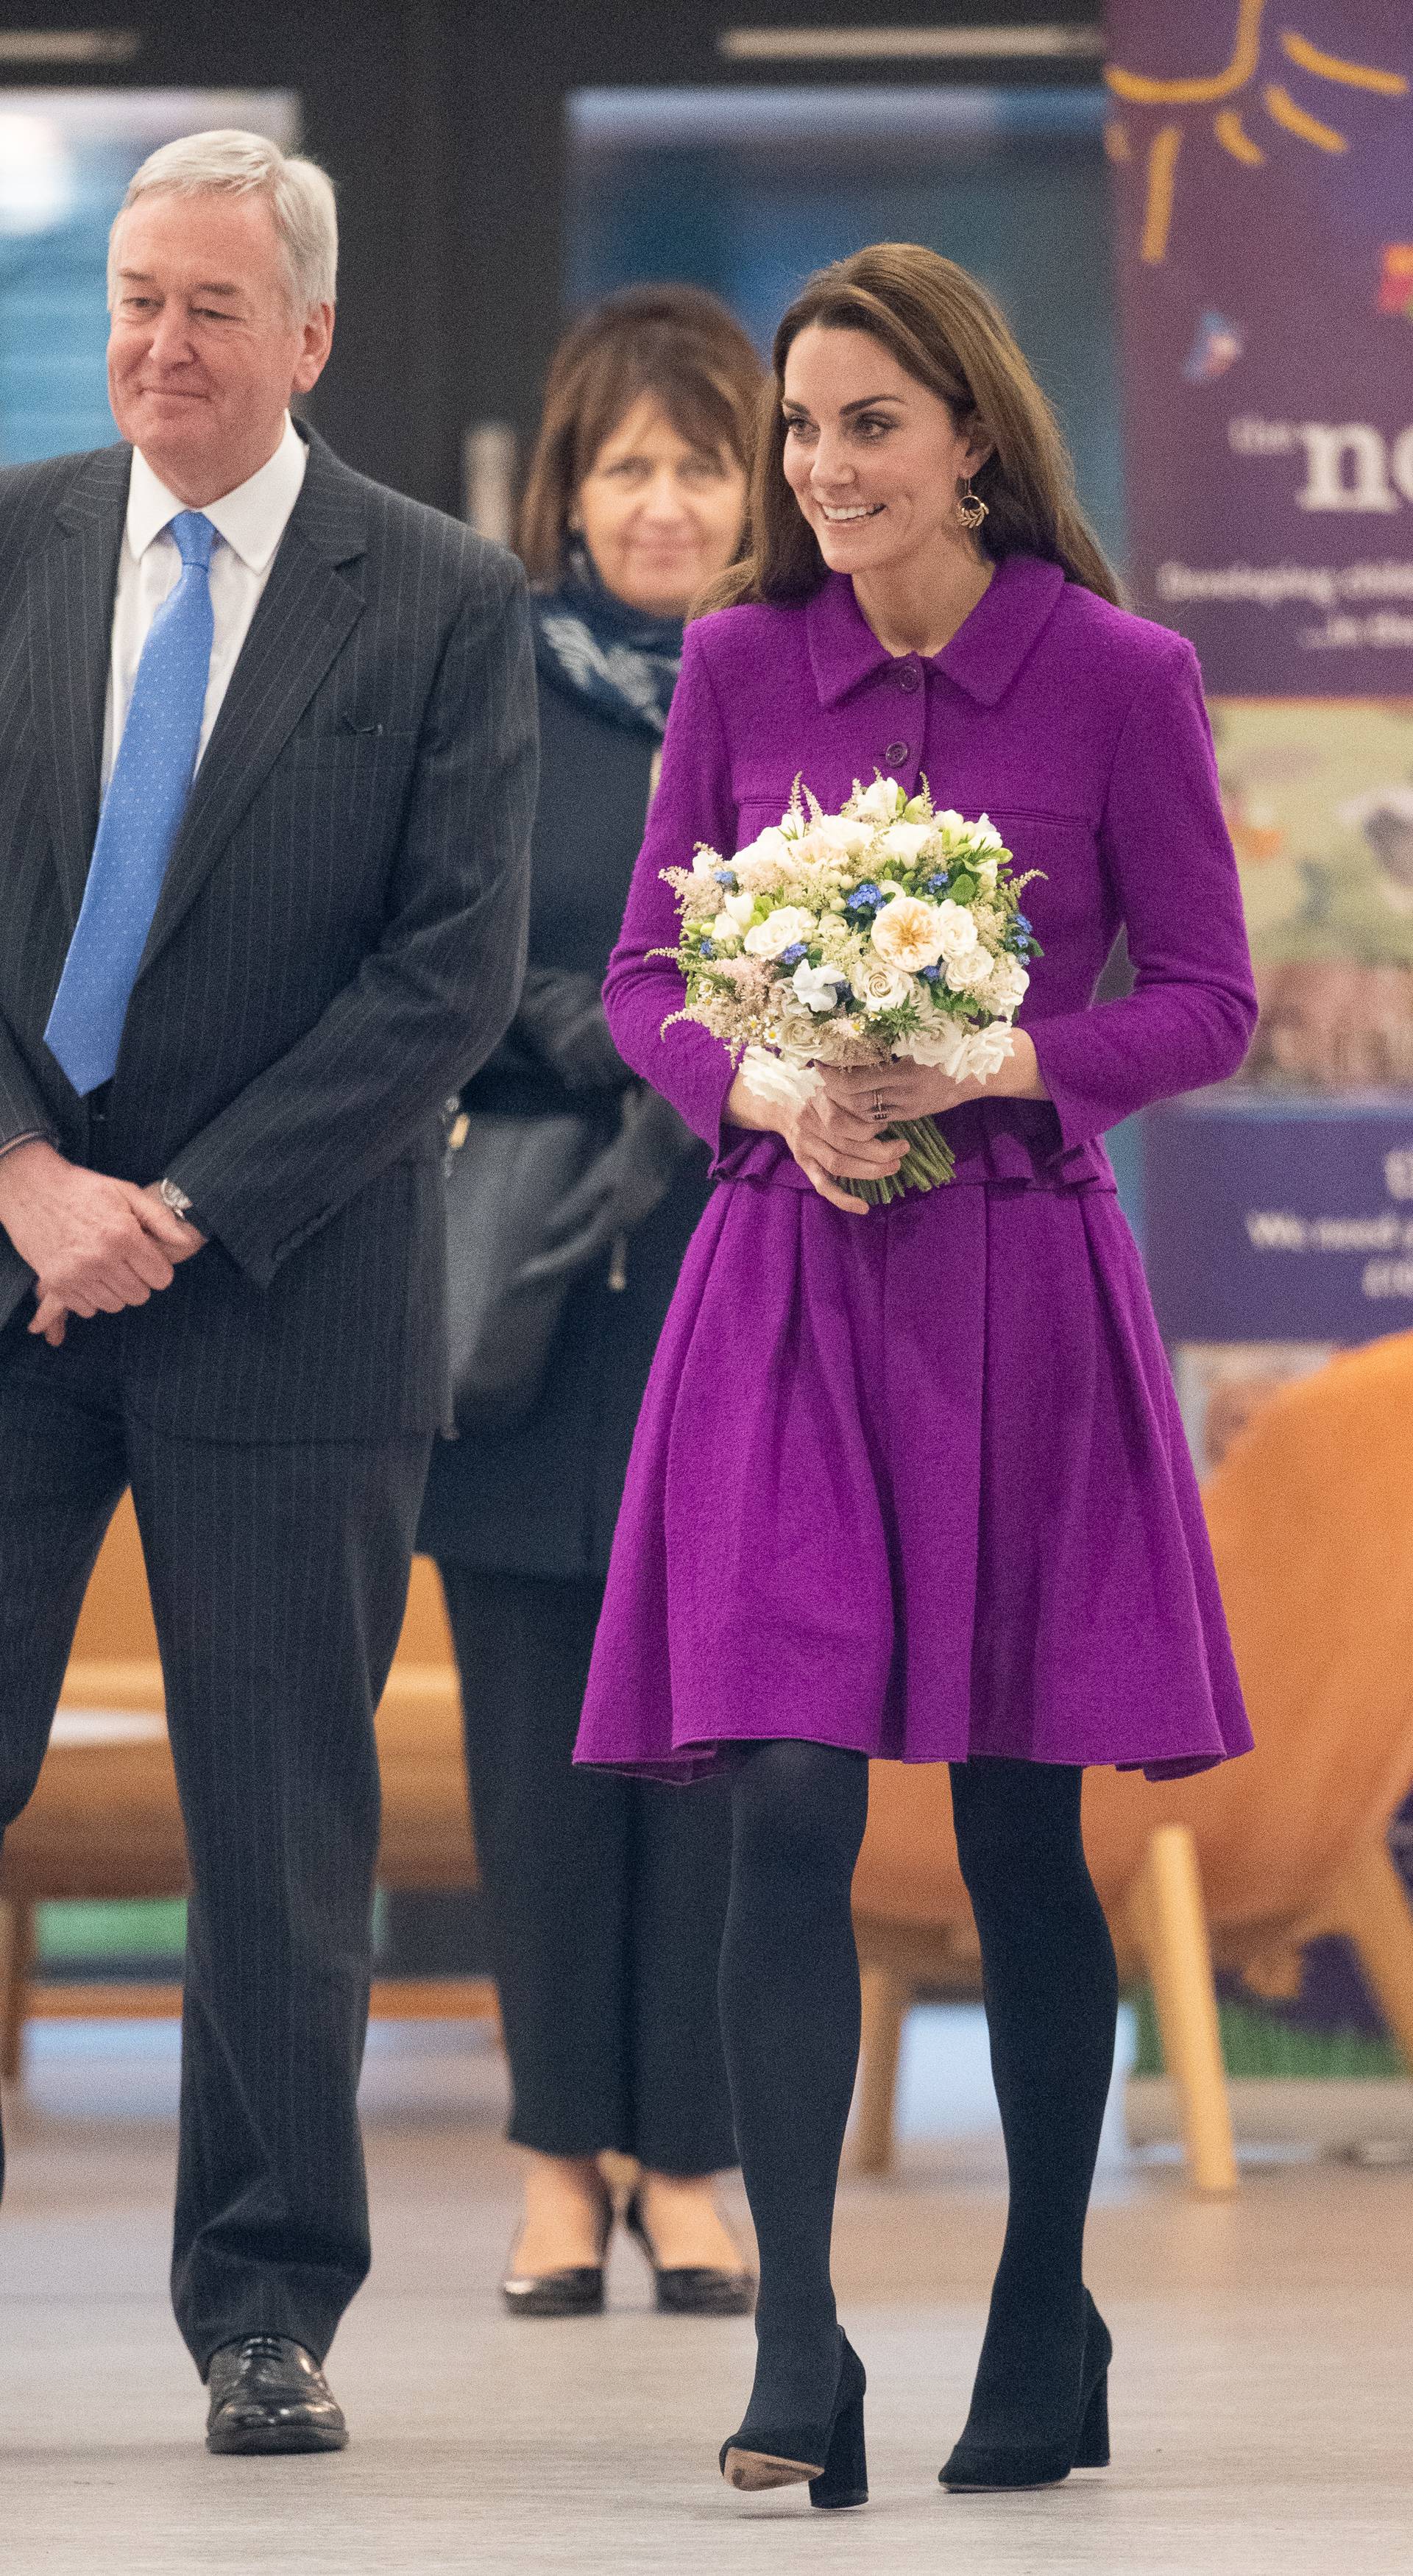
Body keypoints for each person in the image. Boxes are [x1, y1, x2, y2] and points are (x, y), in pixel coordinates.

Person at [575, 244, 1258, 2504]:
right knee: (777, 1787)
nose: (821, 467)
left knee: (1013, 1825)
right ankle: (796, 2346)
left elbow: (1212, 1000)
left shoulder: (1123, 674)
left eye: (866, 422)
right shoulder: (742, 661)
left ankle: (1042, 2305)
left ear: (973, 431)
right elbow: (644, 967)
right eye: (803, 426)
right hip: (789, 1282)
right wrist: (762, 1094)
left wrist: (992, 1054)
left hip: (1021, 1303)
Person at [0, 132, 534, 2452]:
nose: (160, 345)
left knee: (282, 1830)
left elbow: (449, 979)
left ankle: (265, 2308)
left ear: (309, 334)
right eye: (135, 296)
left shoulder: (434, 597)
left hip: (288, 1296)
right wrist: (24, 1175)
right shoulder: (6, 544)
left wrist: (184, 1203)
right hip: (12, 1267)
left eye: (212, 307)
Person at [418, 286, 763, 2315]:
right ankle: (561, 2158)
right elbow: (423, 956)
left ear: (756, 487)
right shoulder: (487, 684)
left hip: (740, 1278)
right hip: (522, 1286)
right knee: (539, 1739)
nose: (661, 501)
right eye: (626, 462)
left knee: (721, 1725)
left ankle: (694, 2158)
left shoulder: (806, 681)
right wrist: (627, 1029)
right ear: (567, 483)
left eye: (699, 461)